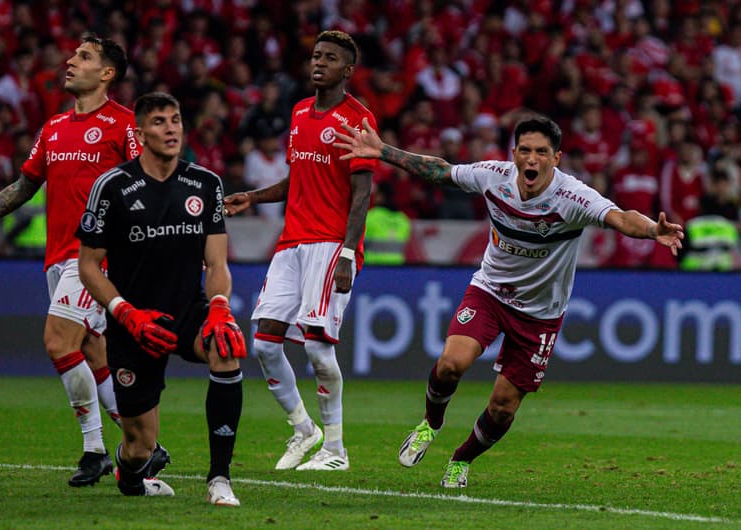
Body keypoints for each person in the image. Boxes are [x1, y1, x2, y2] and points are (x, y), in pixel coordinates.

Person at [334, 114, 684, 488]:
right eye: (526, 151)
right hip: (490, 292)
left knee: (502, 408)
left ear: (556, 158)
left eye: (542, 152)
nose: (532, 159)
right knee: (452, 363)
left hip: (541, 314)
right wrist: (383, 150)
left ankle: (461, 459)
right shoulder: (493, 176)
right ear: (514, 153)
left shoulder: (572, 197)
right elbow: (441, 171)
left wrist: (651, 230)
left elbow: (618, 217)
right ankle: (430, 424)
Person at [0, 35, 138, 487]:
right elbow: (23, 187)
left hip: (95, 258)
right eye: (73, 55)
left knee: (57, 341)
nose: (70, 61)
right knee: (91, 354)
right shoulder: (53, 127)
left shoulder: (125, 125)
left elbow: (147, 186)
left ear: (107, 74)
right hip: (57, 259)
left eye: (84, 57)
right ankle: (143, 445)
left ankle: (95, 450)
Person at [76, 92, 246, 504]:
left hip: (187, 310)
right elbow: (87, 266)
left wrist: (220, 306)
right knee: (140, 447)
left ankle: (219, 479)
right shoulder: (113, 187)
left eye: (175, 120)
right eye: (159, 122)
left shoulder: (206, 185)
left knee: (225, 348)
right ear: (140, 133)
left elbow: (217, 262)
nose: (170, 129)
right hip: (132, 323)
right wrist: (125, 313)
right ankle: (130, 474)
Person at [224, 30, 377, 471]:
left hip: (331, 245)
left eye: (330, 58)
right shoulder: (299, 112)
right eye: (315, 55)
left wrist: (348, 253)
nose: (319, 63)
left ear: (347, 70)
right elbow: (299, 179)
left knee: (316, 349)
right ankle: (303, 429)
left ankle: (335, 451)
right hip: (291, 242)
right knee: (264, 344)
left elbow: (361, 192)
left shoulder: (358, 120)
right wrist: (252, 197)